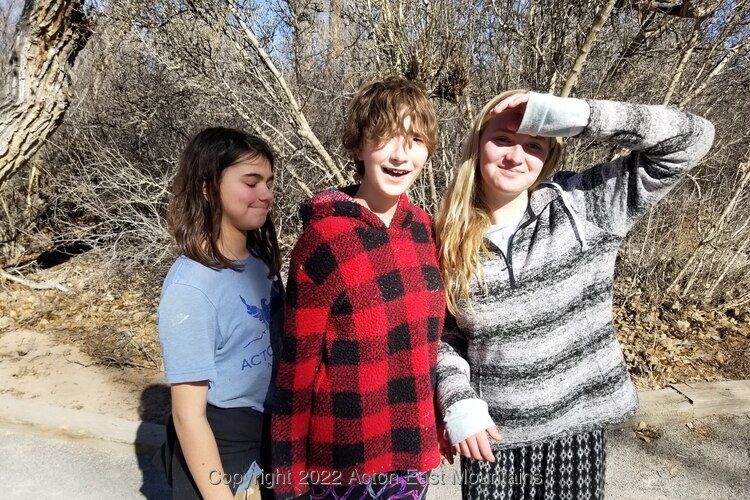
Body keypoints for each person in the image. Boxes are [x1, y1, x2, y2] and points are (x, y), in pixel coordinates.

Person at [434, 90, 714, 499]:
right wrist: (457, 401)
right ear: (477, 144)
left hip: (575, 439)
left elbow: (693, 138)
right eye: (502, 139)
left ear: (549, 156)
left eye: (534, 144)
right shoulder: (446, 238)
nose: (516, 156)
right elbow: (444, 335)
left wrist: (577, 115)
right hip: (491, 439)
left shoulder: (584, 206)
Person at [270, 77, 446, 500]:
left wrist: (443, 419)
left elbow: (430, 346)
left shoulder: (425, 230)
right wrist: (288, 480)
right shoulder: (325, 238)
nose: (401, 155)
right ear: (359, 145)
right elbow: (297, 369)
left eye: (416, 139)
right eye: (386, 137)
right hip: (342, 465)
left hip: (410, 455)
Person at [157, 127, 282, 499]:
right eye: (251, 182)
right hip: (222, 446)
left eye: (269, 182)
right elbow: (188, 415)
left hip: (268, 433)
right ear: (208, 187)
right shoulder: (190, 289)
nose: (267, 194)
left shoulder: (259, 261)